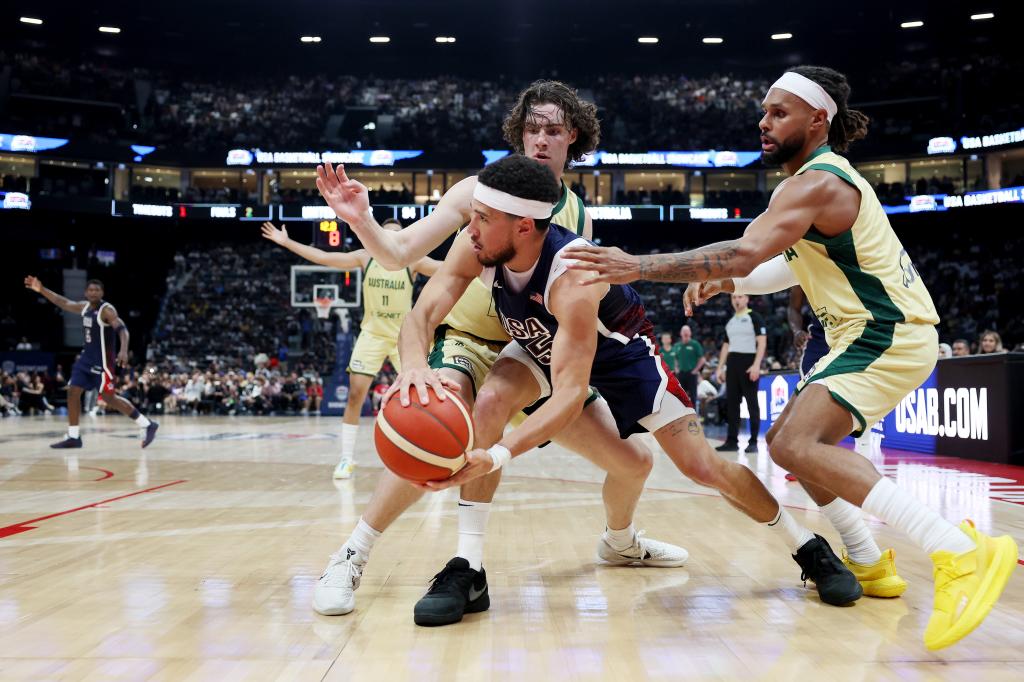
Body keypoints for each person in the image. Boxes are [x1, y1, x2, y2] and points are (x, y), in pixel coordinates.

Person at [562, 65, 1018, 650]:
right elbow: (784, 263)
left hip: (886, 330)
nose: (765, 122)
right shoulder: (806, 184)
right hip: (869, 331)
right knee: (793, 444)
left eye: (779, 112)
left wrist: (639, 265)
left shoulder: (818, 182)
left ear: (818, 119)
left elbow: (746, 251)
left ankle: (957, 552)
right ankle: (866, 559)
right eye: (765, 111)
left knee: (795, 445)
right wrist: (732, 286)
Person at [398, 153, 856, 622]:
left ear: (523, 227)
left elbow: (570, 395)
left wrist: (494, 456)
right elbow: (422, 316)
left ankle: (807, 547)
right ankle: (468, 568)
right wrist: (413, 364)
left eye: (482, 218)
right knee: (492, 398)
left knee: (701, 466)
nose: (469, 227)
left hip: (621, 353)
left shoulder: (573, 276)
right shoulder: (475, 245)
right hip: (540, 343)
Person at [311, 81, 689, 625]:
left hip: (531, 351)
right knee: (441, 422)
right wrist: (362, 222)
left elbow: (571, 318)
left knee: (634, 462)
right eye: (531, 128)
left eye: (552, 129)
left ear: (572, 138)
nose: (539, 139)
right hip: (466, 341)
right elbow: (398, 255)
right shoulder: (479, 192)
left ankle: (622, 541)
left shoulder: (577, 216)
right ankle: (357, 553)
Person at [262, 218, 439, 478]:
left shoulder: (413, 261)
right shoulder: (366, 257)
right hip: (372, 334)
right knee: (356, 394)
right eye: (387, 234)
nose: (391, 239)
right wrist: (287, 242)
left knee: (423, 397)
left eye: (397, 236)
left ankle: (431, 457)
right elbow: (324, 257)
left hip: (405, 336)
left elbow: (450, 268)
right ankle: (346, 458)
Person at [24, 276, 158, 449]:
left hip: (103, 363)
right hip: (85, 360)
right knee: (72, 392)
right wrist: (41, 289)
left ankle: (147, 424)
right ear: (86, 293)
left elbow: (122, 329)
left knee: (109, 398)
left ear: (102, 293)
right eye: (91, 290)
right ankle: (73, 436)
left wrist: (123, 350)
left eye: (97, 290)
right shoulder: (84, 307)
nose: (94, 292)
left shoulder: (107, 310)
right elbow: (63, 302)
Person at [715, 294, 766, 453]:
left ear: (747, 299)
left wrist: (757, 364)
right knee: (732, 405)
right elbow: (725, 345)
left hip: (748, 363)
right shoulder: (730, 322)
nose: (737, 300)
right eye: (734, 298)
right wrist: (720, 367)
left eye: (740, 297)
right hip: (732, 364)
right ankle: (732, 441)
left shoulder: (755, 317)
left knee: (752, 404)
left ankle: (753, 442)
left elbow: (762, 341)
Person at [675, 324, 705, 404]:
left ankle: (693, 415)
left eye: (687, 331)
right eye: (684, 331)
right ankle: (683, 415)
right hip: (681, 373)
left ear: (690, 333)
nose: (685, 333)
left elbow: (702, 359)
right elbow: (675, 358)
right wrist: (676, 368)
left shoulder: (695, 344)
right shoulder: (677, 345)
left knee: (693, 395)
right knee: (681, 396)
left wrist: (695, 370)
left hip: (692, 373)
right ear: (680, 333)